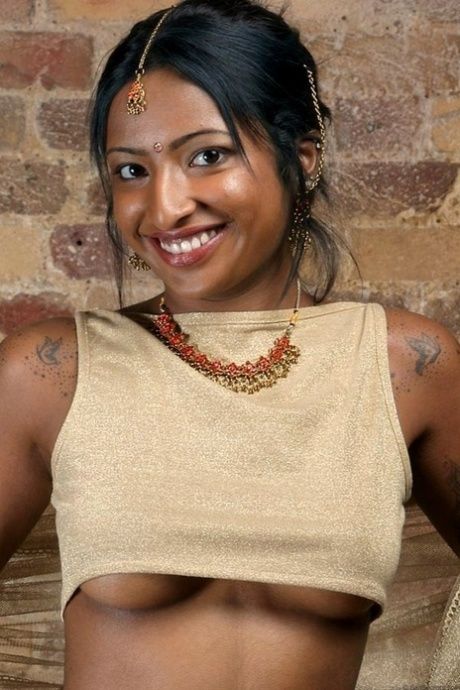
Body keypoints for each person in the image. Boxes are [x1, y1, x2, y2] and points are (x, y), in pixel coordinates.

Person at [1, 0, 459, 688]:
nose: (165, 208)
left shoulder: (403, 368)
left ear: (301, 158)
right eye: (131, 171)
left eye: (207, 156)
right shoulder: (51, 375)